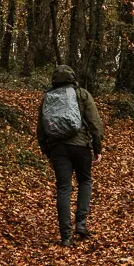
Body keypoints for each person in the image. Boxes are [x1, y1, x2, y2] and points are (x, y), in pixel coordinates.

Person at [37, 65, 104, 246]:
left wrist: (48, 151)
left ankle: (66, 236)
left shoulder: (48, 98)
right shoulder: (82, 94)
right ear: (73, 77)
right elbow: (95, 123)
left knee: (64, 189)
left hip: (58, 149)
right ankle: (81, 224)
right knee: (85, 181)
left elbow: (41, 129)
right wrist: (98, 148)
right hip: (81, 146)